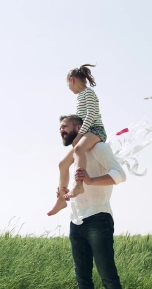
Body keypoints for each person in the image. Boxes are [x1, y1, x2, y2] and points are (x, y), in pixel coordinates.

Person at [58, 114, 125, 289]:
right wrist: (63, 192)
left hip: (98, 219)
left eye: (65, 126)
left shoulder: (100, 148)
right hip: (76, 220)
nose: (61, 130)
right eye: (59, 128)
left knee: (108, 277)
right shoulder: (74, 155)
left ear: (79, 128)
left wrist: (90, 180)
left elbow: (120, 175)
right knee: (82, 280)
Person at [48, 64, 107, 216]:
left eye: (68, 84)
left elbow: (92, 114)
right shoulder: (81, 96)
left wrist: (80, 134)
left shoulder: (88, 93)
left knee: (79, 149)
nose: (68, 87)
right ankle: (61, 199)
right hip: (86, 132)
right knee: (63, 164)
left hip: (95, 131)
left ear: (72, 80)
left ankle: (79, 185)